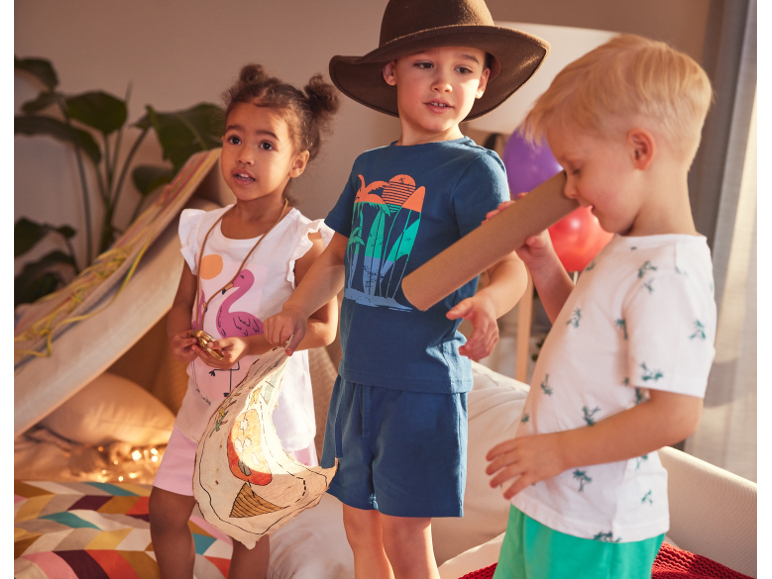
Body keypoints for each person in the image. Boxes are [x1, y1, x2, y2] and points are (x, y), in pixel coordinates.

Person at [263, 1, 548, 577]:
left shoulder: (475, 169)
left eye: (464, 69)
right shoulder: (370, 165)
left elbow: (513, 266)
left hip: (424, 387)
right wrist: (296, 308)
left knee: (404, 532)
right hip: (357, 381)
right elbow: (338, 254)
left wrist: (489, 304)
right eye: (425, 64)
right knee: (357, 526)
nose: (444, 83)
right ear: (392, 70)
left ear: (483, 80)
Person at [485, 34, 716, 579]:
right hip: (550, 503)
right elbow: (585, 332)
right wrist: (544, 265)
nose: (569, 189)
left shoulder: (671, 272)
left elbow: (675, 413)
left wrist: (557, 452)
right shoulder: (626, 247)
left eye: (577, 167)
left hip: (597, 523)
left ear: (640, 150)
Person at [148, 64, 340, 579]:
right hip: (203, 403)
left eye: (266, 144)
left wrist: (249, 346)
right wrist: (178, 336)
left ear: (297, 162)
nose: (245, 155)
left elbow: (324, 329)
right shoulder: (202, 228)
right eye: (235, 138)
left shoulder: (303, 241)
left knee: (246, 530)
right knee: (164, 513)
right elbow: (182, 303)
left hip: (262, 417)